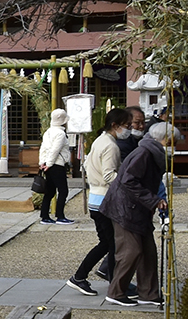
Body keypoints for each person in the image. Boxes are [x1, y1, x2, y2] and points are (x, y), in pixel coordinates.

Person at [100, 120, 175, 307]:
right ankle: (116, 292)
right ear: (164, 139)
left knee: (149, 252)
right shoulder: (144, 153)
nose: (175, 145)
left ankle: (148, 294)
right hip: (125, 209)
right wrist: (154, 200)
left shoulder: (152, 153)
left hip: (138, 209)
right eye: (174, 141)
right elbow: (128, 181)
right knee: (132, 251)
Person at [66, 108, 130, 296]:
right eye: (126, 126)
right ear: (115, 125)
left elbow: (87, 165)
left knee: (108, 243)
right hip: (104, 199)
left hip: (96, 197)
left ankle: (109, 279)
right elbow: (109, 175)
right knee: (110, 244)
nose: (127, 130)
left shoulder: (100, 140)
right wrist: (128, 182)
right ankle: (83, 277)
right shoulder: (111, 146)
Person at [37, 108, 74, 224]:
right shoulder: (61, 134)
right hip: (56, 164)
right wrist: (49, 163)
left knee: (50, 191)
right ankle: (60, 216)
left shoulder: (48, 132)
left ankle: (45, 215)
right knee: (63, 190)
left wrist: (42, 162)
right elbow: (55, 150)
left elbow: (43, 148)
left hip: (48, 164)